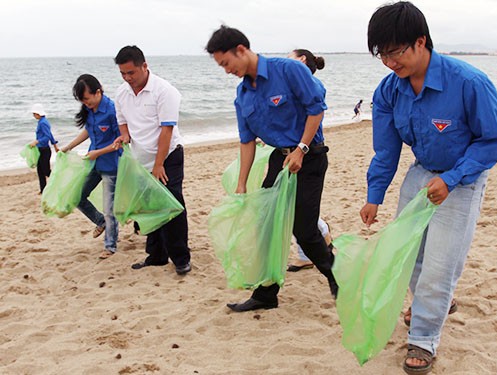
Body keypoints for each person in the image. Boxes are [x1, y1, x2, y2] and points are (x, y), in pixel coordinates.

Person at [361, 2, 497, 374]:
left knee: (441, 263)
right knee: (408, 256)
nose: (389, 62)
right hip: (421, 173)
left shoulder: (469, 82)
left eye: (395, 51)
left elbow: (492, 140)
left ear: (420, 41)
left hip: (464, 178)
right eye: (381, 54)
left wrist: (453, 179)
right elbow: (386, 150)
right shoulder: (389, 91)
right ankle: (435, 302)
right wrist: (374, 196)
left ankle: (423, 339)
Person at [206, 26, 338, 312]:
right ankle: (266, 295)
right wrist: (241, 183)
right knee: (266, 227)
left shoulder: (289, 70)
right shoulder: (242, 96)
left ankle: (337, 276)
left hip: (310, 157)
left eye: (226, 63)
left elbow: (317, 108)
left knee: (304, 229)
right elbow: (247, 142)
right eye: (221, 66)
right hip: (279, 160)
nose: (226, 70)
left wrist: (301, 149)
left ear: (241, 50)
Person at [112, 45, 191, 275]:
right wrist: (125, 135)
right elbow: (122, 120)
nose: (127, 78)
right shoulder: (121, 92)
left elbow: (166, 130)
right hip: (140, 159)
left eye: (131, 73)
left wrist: (159, 165)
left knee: (172, 206)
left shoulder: (165, 91)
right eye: (123, 74)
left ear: (144, 66)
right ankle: (156, 256)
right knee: (148, 208)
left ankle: (181, 258)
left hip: (168, 156)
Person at [60, 74, 121, 259]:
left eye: (86, 99)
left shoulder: (112, 110)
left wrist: (98, 152)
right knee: (77, 196)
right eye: (82, 100)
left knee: (110, 209)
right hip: (93, 163)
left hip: (111, 165)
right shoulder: (91, 110)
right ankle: (99, 220)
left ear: (98, 92)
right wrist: (69, 146)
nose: (85, 103)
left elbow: (121, 141)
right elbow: (88, 130)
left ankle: (110, 246)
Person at [286, 48, 332, 272]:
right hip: (294, 151)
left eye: (290, 58)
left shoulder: (313, 85)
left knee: (301, 211)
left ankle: (320, 236)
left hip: (310, 153)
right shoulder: (296, 86)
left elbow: (313, 116)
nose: (286, 63)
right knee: (294, 208)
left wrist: (300, 148)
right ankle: (313, 244)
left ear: (302, 60)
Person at [30, 103, 59, 193]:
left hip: (44, 150)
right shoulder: (42, 121)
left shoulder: (43, 123)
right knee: (40, 171)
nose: (33, 115)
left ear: (38, 114)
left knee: (46, 171)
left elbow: (47, 136)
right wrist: (55, 145)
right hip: (40, 150)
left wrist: (36, 141)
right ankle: (43, 190)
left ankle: (58, 181)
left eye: (34, 114)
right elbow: (50, 134)